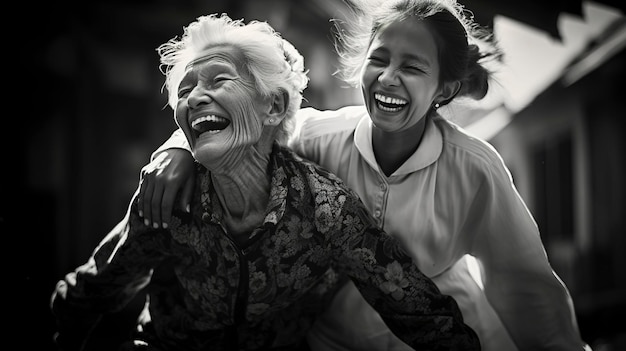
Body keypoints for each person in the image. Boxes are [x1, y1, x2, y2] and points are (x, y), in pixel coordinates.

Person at [137, 0, 592, 350]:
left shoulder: (474, 169)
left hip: (442, 333)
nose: (389, 77)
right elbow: (244, 129)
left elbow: (526, 287)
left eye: (412, 67)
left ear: (445, 88)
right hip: (330, 339)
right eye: (380, 60)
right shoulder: (319, 137)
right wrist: (177, 150)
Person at [50, 12, 481, 351]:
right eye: (184, 91)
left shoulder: (324, 209)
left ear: (273, 106)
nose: (194, 97)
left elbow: (417, 311)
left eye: (219, 80)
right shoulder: (171, 198)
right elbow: (94, 290)